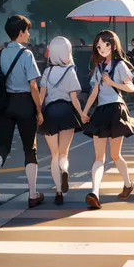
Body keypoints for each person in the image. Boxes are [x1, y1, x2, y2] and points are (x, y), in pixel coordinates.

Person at [0, 15, 45, 209]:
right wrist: (39, 110)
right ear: (20, 32)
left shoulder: (1, 53)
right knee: (30, 149)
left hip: (5, 104)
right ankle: (32, 194)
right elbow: (34, 86)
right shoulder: (27, 54)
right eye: (27, 30)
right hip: (24, 104)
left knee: (2, 145)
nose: (28, 34)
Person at [81, 30, 134, 210]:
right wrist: (84, 111)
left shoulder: (120, 65)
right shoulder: (99, 67)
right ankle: (94, 192)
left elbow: (131, 88)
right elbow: (94, 92)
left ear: (113, 46)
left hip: (116, 109)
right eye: (98, 46)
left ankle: (128, 184)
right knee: (99, 157)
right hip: (101, 111)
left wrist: (112, 82)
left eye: (105, 45)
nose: (102, 49)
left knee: (115, 155)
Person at [38, 36, 86, 206]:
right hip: (67, 112)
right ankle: (65, 170)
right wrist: (82, 114)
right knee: (64, 153)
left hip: (50, 112)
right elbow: (74, 98)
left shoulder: (46, 72)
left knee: (54, 154)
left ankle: (58, 191)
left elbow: (41, 96)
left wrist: (39, 113)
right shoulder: (70, 71)